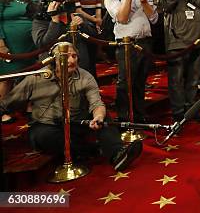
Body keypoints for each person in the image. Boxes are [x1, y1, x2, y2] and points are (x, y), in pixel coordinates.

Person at [0, 43, 142, 171]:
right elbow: (9, 102)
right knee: (43, 137)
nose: (72, 60)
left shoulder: (85, 77)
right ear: (53, 60)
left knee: (104, 118)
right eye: (66, 56)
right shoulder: (36, 77)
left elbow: (96, 104)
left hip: (76, 122)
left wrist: (98, 117)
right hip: (47, 125)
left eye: (74, 56)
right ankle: (91, 150)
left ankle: (118, 154)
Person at [104, 0, 158, 123]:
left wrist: (143, 1)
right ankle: (124, 116)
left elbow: (154, 18)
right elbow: (121, 17)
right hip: (127, 44)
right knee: (125, 82)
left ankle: (140, 115)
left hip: (145, 43)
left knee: (140, 82)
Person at [158, 0, 200, 122]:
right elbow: (164, 7)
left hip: (197, 42)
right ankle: (178, 113)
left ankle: (191, 110)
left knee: (193, 80)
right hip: (177, 44)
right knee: (176, 81)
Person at [0, 0, 37, 123]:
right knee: (6, 78)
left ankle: (29, 105)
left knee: (32, 74)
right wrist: (1, 44)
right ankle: (2, 110)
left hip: (31, 44)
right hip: (9, 45)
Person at [69, 0, 102, 77]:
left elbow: (98, 8)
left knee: (93, 57)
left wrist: (98, 20)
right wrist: (93, 19)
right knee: (84, 59)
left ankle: (93, 82)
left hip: (94, 24)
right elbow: (78, 10)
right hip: (82, 24)